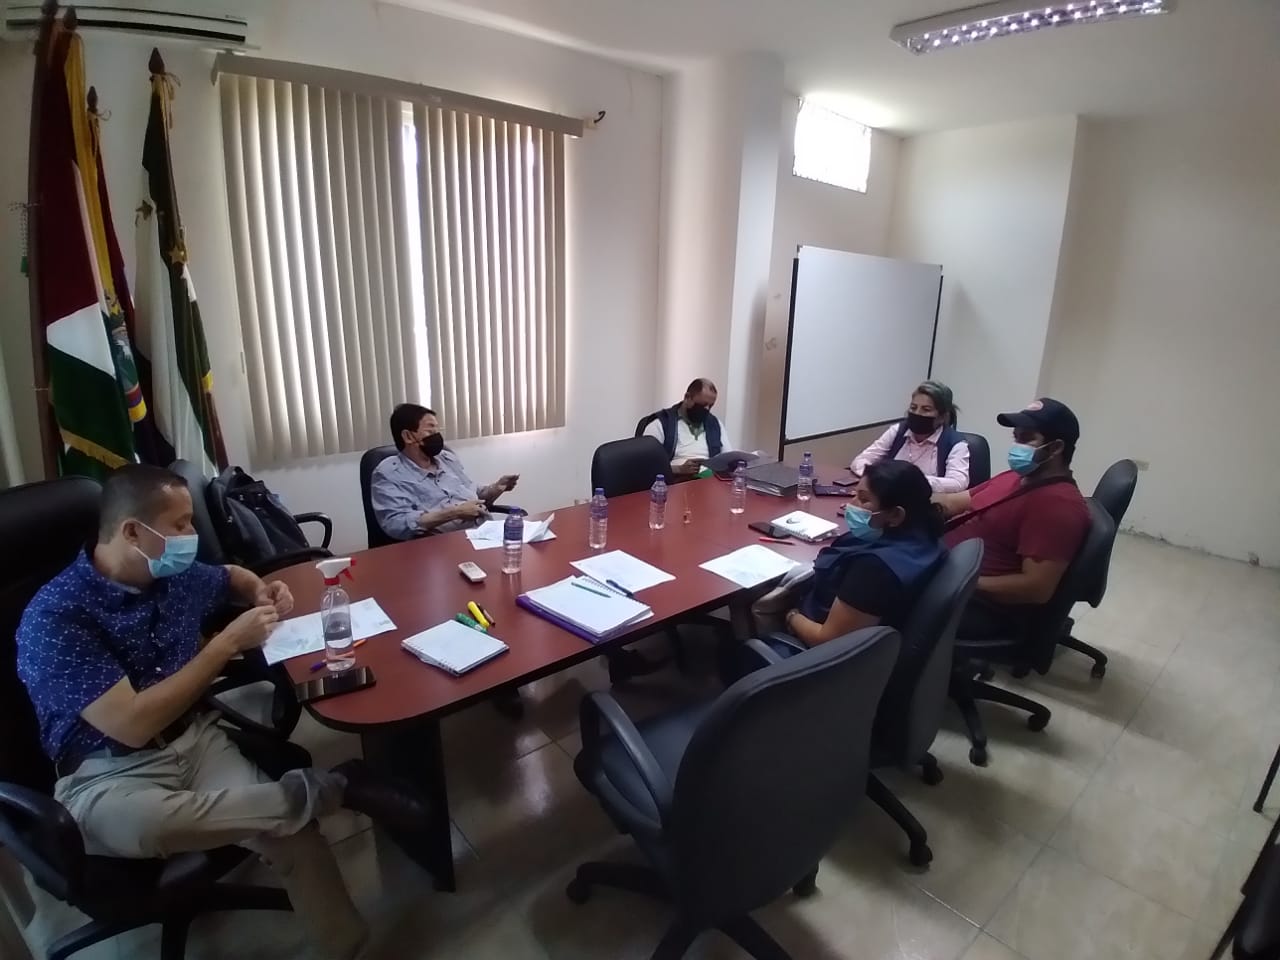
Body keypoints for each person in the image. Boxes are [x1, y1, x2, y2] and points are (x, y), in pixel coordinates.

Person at [16, 465, 425, 960]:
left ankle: (345, 948)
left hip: (196, 739)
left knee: (296, 837)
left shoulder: (173, 575)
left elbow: (229, 576)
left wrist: (258, 591)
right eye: (181, 524)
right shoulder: (57, 617)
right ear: (132, 532)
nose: (191, 535)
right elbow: (132, 725)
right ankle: (335, 788)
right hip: (107, 771)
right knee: (149, 826)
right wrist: (226, 643)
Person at [936, 398, 1090, 637]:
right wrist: (901, 498)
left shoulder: (1059, 506)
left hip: (978, 604)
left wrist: (957, 580)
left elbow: (1036, 588)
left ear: (1056, 448)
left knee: (881, 592)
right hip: (948, 571)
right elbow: (953, 502)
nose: (1017, 446)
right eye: (1016, 437)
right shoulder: (1015, 477)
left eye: (1027, 438)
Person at [371, 403, 519, 540]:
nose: (437, 435)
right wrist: (454, 513)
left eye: (438, 430)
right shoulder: (388, 473)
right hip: (439, 545)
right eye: (430, 430)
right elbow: (396, 524)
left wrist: (496, 488)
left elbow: (473, 494)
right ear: (408, 436)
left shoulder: (447, 459)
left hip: (483, 534)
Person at [850, 380, 969, 493]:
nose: (917, 413)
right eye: (913, 407)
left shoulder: (955, 443)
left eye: (926, 410)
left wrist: (911, 481)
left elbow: (958, 482)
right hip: (889, 498)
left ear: (942, 417)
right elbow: (859, 461)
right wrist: (878, 477)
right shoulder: (898, 431)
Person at [644, 378, 732, 475]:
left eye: (710, 406)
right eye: (702, 405)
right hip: (675, 480)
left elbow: (728, 459)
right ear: (687, 398)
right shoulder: (661, 423)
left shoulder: (715, 424)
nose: (706, 410)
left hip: (709, 478)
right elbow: (646, 465)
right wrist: (679, 469)